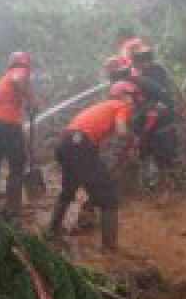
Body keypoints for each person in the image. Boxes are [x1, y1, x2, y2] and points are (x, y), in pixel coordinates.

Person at [46, 81, 138, 250]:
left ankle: (51, 231)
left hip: (66, 145)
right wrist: (132, 138)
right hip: (80, 147)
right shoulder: (120, 106)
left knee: (69, 189)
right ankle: (110, 250)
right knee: (109, 197)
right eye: (131, 96)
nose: (133, 100)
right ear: (123, 95)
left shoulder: (104, 106)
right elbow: (121, 131)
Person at [0, 51, 37, 219]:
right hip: (6, 122)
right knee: (17, 164)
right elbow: (18, 80)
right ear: (25, 63)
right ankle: (12, 207)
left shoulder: (5, 76)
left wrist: (25, 102)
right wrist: (31, 100)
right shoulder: (19, 71)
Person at [130, 45, 177, 186]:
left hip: (162, 119)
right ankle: (147, 181)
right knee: (145, 151)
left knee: (163, 154)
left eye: (141, 62)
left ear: (147, 61)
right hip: (148, 117)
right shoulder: (141, 75)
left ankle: (166, 187)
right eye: (138, 63)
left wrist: (139, 80)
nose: (140, 65)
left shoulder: (157, 72)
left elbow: (163, 94)